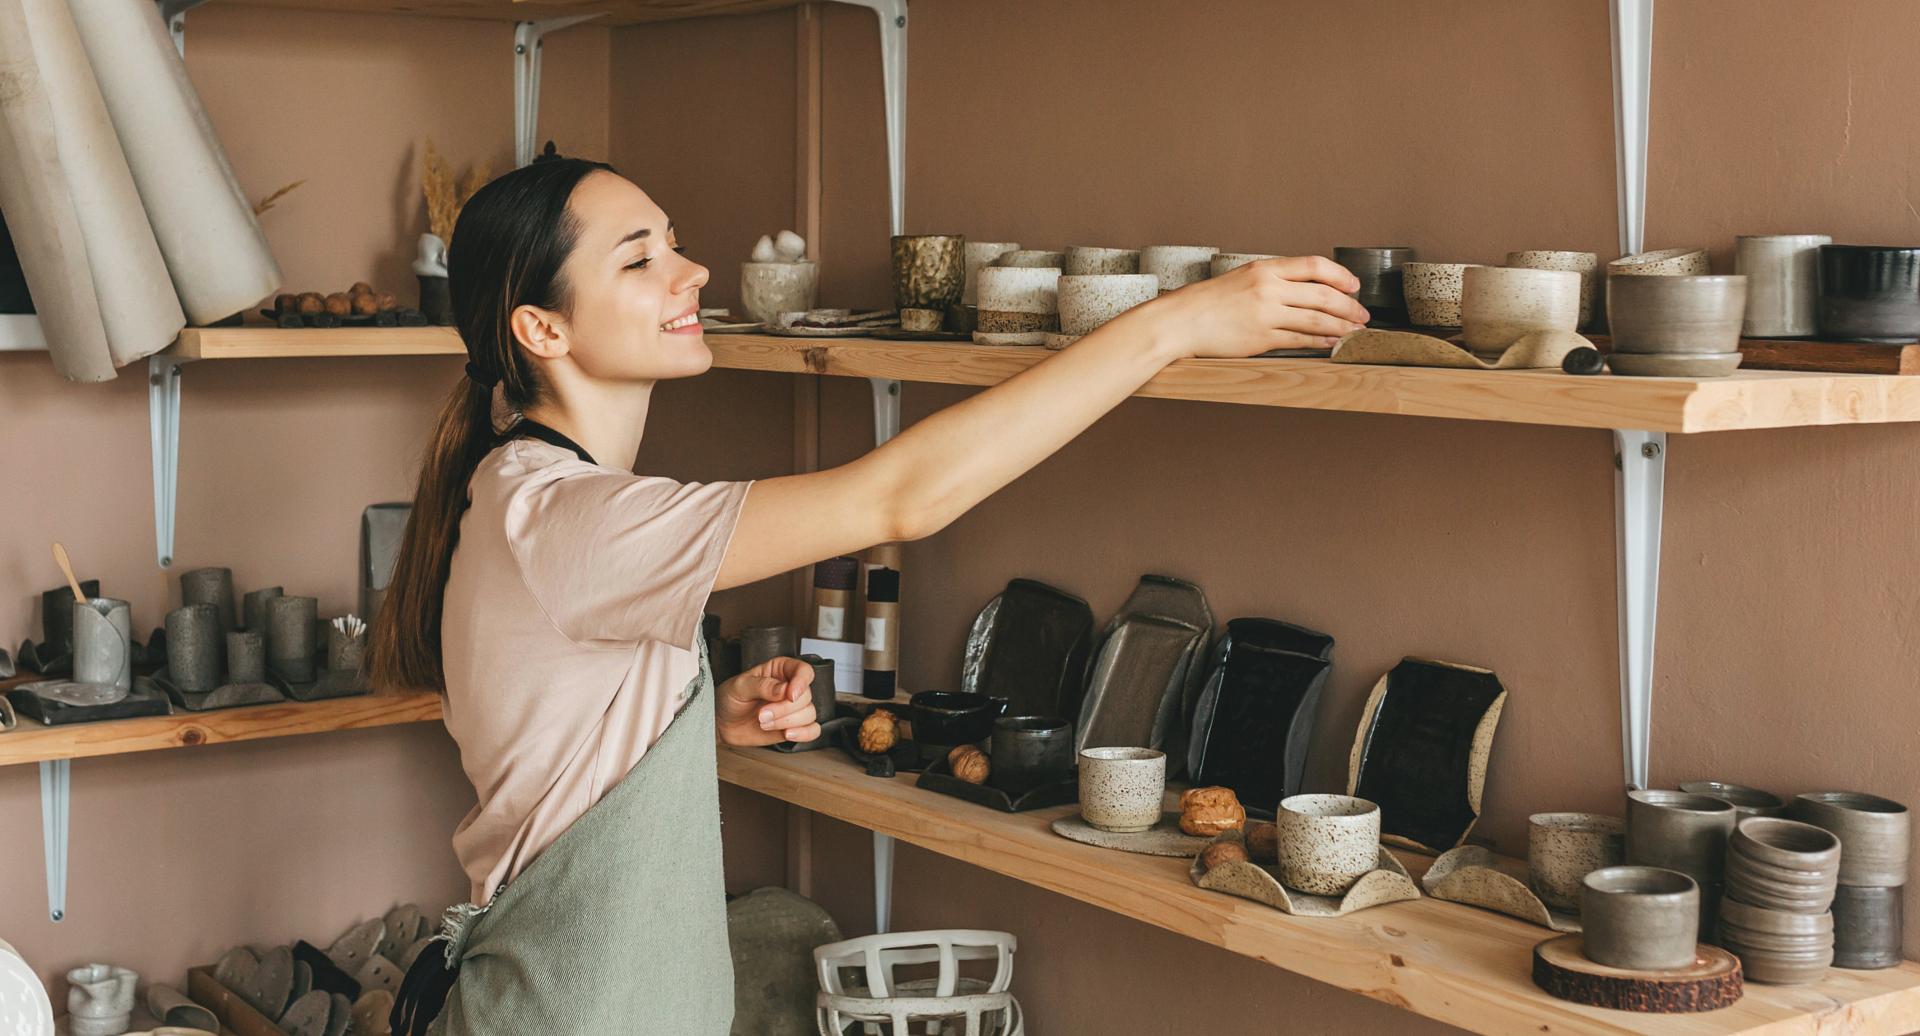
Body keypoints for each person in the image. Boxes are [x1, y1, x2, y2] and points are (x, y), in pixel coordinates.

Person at [371, 156, 1366, 1035]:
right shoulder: (569, 516)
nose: (694, 273)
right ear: (541, 325)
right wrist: (1173, 326)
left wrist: (696, 721)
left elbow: (548, 744)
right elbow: (905, 495)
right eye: (639, 260)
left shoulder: (526, 491)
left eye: (675, 244)